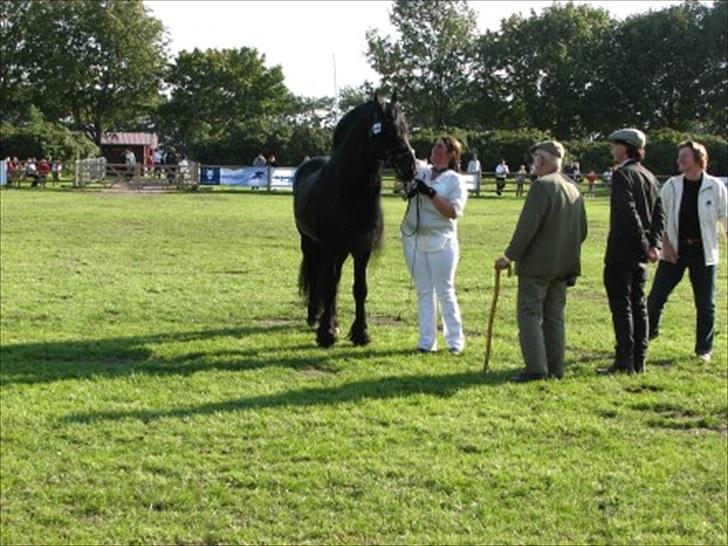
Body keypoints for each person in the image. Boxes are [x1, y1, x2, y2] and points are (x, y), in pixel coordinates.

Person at [495, 141, 588, 382]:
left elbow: (527, 228)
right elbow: (583, 231)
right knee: (554, 317)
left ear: (542, 160)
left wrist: (508, 256)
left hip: (537, 266)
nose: (533, 163)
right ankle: (555, 368)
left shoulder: (541, 187)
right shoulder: (573, 187)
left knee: (529, 315)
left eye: (536, 158)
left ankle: (536, 368)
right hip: (564, 265)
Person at [647, 140, 728, 363]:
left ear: (698, 159)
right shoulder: (672, 186)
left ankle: (704, 349)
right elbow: (659, 219)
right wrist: (667, 246)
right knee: (656, 297)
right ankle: (648, 333)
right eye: (679, 156)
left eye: (685, 157)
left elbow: (726, 219)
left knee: (705, 303)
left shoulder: (715, 186)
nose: (680, 161)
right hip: (675, 250)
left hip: (704, 252)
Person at [600, 128, 663, 375]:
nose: (612, 150)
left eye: (615, 145)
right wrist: (653, 244)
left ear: (625, 147)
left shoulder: (622, 175)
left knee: (622, 306)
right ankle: (640, 359)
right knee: (639, 304)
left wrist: (645, 243)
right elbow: (660, 214)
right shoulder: (649, 176)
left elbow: (628, 213)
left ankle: (624, 360)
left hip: (622, 251)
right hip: (641, 255)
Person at [401, 136, 468, 355]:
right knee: (423, 291)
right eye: (434, 146)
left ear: (451, 155)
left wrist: (430, 193)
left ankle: (455, 342)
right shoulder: (422, 170)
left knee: (444, 290)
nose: (435, 150)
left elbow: (453, 212)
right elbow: (406, 152)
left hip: (441, 240)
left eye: (440, 147)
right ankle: (426, 342)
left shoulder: (454, 180)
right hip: (414, 238)